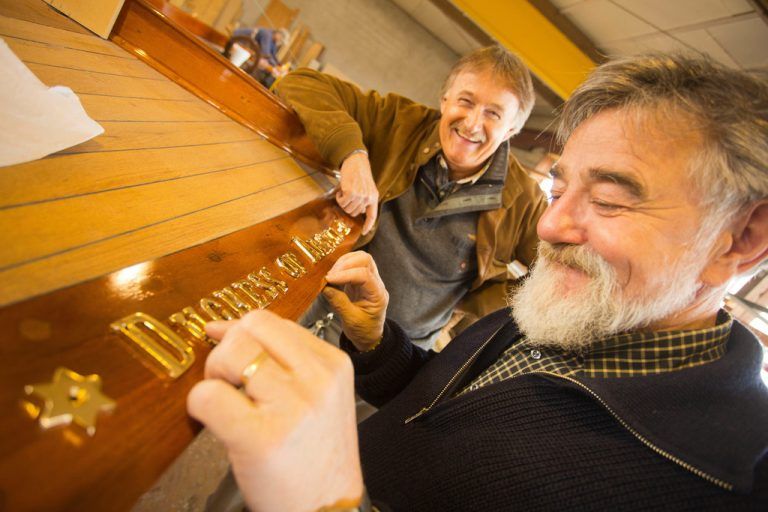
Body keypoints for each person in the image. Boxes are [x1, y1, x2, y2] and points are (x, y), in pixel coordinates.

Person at [187, 53, 768, 511]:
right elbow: (437, 407)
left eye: (611, 201)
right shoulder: (566, 311)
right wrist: (378, 343)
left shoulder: (712, 486)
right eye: (559, 190)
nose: (549, 226)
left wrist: (325, 501)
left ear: (740, 240)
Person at [276, 46, 547, 349]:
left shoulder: (526, 202)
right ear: (445, 100)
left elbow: (555, 274)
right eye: (465, 101)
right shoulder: (400, 123)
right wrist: (352, 154)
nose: (472, 123)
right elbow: (300, 83)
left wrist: (480, 302)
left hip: (390, 352)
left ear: (511, 129)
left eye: (493, 114)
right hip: (318, 301)